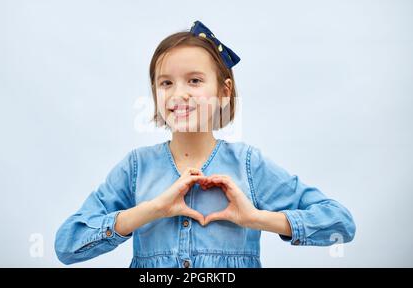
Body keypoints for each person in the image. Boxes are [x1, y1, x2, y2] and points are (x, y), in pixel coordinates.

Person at [55, 21, 356, 268]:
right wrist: (153, 209)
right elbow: (67, 245)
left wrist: (255, 218)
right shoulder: (135, 168)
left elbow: (341, 224)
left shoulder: (248, 165)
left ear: (224, 91)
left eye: (195, 81)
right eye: (166, 82)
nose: (179, 94)